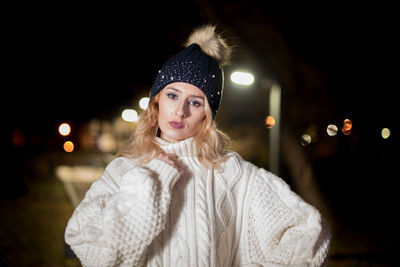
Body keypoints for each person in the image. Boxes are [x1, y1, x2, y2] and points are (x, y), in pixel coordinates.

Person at [65, 25, 330, 266]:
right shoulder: (125, 170)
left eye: (195, 102)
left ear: (208, 114)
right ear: (157, 102)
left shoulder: (233, 173)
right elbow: (95, 254)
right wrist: (149, 183)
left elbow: (308, 235)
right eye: (172, 95)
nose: (179, 111)